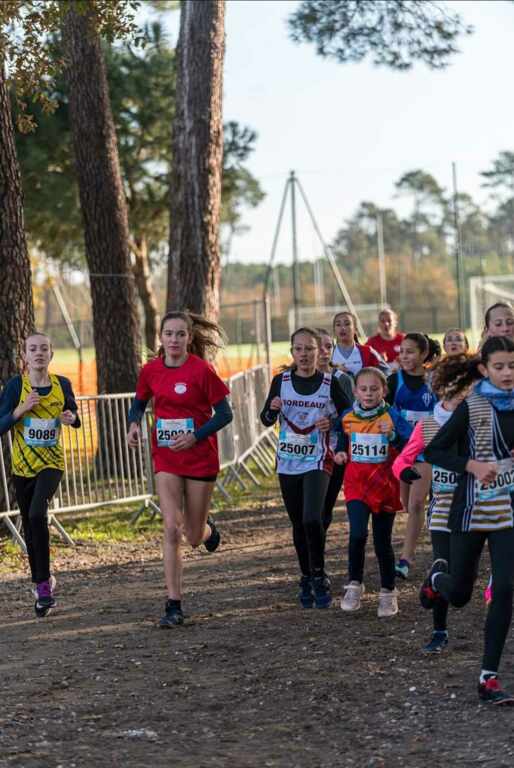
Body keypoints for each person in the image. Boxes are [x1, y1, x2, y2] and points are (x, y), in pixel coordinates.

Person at [422, 337, 514, 704]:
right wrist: (471, 465)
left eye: (513, 366)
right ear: (483, 369)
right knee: (459, 593)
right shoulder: (473, 407)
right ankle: (437, 580)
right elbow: (434, 450)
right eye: (500, 367)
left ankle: (488, 677)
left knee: (505, 588)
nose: (507, 373)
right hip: (471, 510)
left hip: (507, 513)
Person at [127, 311, 233, 628]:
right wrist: (133, 424)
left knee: (193, 537)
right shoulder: (150, 370)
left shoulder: (201, 370)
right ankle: (173, 604)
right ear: (160, 337)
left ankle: (207, 531)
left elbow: (225, 414)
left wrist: (195, 436)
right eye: (169, 334)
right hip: (167, 456)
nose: (174, 339)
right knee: (172, 528)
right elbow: (139, 403)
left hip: (200, 456)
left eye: (180, 334)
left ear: (189, 337)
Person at [392, 354, 478, 652]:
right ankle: (439, 631)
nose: (459, 395)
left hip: (474, 508)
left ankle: (434, 581)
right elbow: (403, 458)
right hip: (443, 506)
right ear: (440, 389)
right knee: (443, 562)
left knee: (462, 587)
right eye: (453, 389)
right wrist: (403, 471)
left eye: (465, 389)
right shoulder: (429, 425)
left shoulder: (479, 420)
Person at [260, 327, 351, 609]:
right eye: (298, 349)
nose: (304, 354)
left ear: (318, 351)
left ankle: (319, 574)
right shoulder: (281, 381)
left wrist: (332, 424)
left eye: (309, 349)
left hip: (318, 459)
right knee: (298, 522)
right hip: (288, 460)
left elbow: (349, 416)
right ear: (292, 352)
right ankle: (306, 575)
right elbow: (265, 419)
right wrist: (272, 409)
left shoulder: (329, 383)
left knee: (313, 518)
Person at [0, 331, 80, 617]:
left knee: (36, 515)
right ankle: (41, 584)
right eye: (33, 349)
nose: (38, 353)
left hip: (51, 464)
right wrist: (21, 409)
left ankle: (44, 588)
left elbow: (74, 414)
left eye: (44, 349)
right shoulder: (16, 386)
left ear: (51, 354)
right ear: (24, 355)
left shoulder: (62, 384)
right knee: (31, 527)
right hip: (22, 468)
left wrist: (71, 417)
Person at [335, 368, 411, 618]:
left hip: (385, 486)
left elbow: (409, 444)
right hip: (357, 484)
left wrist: (392, 436)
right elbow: (341, 437)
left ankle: (388, 591)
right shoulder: (348, 416)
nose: (368, 393)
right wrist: (341, 452)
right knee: (357, 534)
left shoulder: (392, 415)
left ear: (384, 391)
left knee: (382, 541)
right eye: (363, 389)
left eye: (374, 389)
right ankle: (354, 584)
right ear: (355, 391)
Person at [387, 333, 438, 580]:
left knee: (417, 502)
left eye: (410, 352)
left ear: (424, 354)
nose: (404, 356)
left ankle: (406, 559)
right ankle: (428, 522)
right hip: (402, 450)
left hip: (427, 450)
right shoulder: (393, 380)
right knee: (407, 505)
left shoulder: (435, 380)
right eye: (402, 352)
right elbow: (379, 408)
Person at [316, 328, 353, 533]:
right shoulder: (291, 378)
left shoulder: (342, 379)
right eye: (319, 347)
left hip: (334, 449)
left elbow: (352, 415)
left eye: (329, 346)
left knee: (325, 505)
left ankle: (318, 545)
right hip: (304, 450)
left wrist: (333, 423)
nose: (324, 351)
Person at [332, 311, 389, 378]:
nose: (342, 328)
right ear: (334, 330)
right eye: (338, 325)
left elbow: (386, 373)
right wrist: (335, 372)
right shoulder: (329, 354)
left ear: (355, 329)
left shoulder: (367, 351)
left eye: (347, 324)